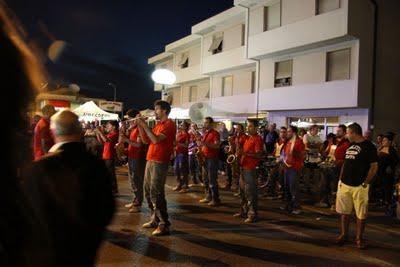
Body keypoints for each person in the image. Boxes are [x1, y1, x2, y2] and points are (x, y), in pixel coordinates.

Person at [23, 110, 115, 266]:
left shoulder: (38, 168)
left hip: (48, 255)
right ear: (79, 131)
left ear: (53, 132)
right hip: (85, 251)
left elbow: (28, 217)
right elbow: (107, 209)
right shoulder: (96, 165)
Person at [136, 100, 176, 236]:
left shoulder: (169, 124)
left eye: (157, 109)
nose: (155, 112)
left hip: (160, 161)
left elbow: (156, 140)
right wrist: (140, 127)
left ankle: (163, 224)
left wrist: (144, 125)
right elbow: (146, 140)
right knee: (147, 191)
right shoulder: (159, 125)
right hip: (150, 159)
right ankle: (154, 218)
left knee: (156, 192)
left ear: (164, 110)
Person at [335, 123, 378, 249]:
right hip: (345, 184)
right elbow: (346, 163)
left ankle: (359, 238)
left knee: (361, 214)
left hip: (360, 186)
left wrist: (366, 182)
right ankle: (344, 234)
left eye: (348, 132)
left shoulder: (369, 146)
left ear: (354, 133)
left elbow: (374, 166)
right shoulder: (351, 145)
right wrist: (340, 180)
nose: (346, 135)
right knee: (344, 212)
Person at [233, 120, 263, 223]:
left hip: (250, 169)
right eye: (247, 126)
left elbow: (259, 155)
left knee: (250, 193)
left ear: (256, 128)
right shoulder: (248, 138)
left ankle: (252, 214)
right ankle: (244, 211)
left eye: (250, 126)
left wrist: (244, 153)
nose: (248, 128)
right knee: (242, 192)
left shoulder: (257, 139)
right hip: (243, 168)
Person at [120, 109, 148, 213]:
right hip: (132, 156)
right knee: (132, 179)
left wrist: (126, 140)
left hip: (138, 157)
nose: (129, 121)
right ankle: (135, 199)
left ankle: (138, 203)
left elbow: (139, 144)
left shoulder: (140, 128)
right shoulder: (133, 128)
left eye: (130, 118)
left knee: (137, 180)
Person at [316, 125, 350, 209]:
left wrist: (337, 162)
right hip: (328, 167)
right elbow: (327, 154)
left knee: (334, 186)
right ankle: (325, 201)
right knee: (324, 185)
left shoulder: (346, 144)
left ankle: (334, 204)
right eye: (337, 131)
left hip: (337, 168)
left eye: (339, 131)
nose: (337, 132)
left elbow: (346, 158)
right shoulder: (334, 142)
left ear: (344, 132)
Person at [281, 125, 305, 215]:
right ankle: (289, 205)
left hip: (294, 168)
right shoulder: (288, 142)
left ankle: (296, 206)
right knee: (287, 188)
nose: (287, 133)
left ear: (294, 133)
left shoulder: (298, 142)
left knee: (293, 188)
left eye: (289, 131)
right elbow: (285, 154)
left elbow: (302, 156)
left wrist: (296, 154)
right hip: (287, 168)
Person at [198, 117, 221, 206]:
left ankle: (215, 199)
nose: (205, 124)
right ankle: (208, 196)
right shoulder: (205, 133)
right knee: (205, 179)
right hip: (205, 158)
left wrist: (205, 144)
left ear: (211, 124)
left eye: (207, 123)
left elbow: (217, 145)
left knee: (212, 179)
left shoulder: (215, 133)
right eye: (204, 122)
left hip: (212, 159)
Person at [95, 120, 119, 194]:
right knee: (108, 173)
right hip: (105, 155)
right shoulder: (110, 133)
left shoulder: (115, 133)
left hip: (110, 155)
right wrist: (98, 133)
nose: (107, 126)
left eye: (109, 125)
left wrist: (100, 132)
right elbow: (101, 141)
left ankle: (113, 189)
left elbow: (106, 140)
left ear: (114, 127)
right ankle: (111, 188)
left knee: (110, 173)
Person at [377, 134, 398, 210]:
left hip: (387, 172)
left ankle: (387, 203)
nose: (383, 141)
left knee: (387, 188)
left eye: (385, 140)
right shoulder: (381, 148)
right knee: (381, 187)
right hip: (380, 171)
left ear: (389, 142)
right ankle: (381, 201)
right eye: (383, 140)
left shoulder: (392, 150)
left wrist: (390, 167)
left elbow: (396, 161)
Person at [303, 125, 323, 194]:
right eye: (315, 130)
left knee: (316, 174)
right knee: (307, 174)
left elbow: (320, 146)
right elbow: (307, 145)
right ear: (311, 130)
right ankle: (306, 188)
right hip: (308, 158)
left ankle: (315, 188)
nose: (317, 131)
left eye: (317, 130)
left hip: (316, 158)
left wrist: (312, 145)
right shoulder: (306, 136)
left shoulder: (318, 137)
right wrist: (315, 145)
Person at [173, 121, 190, 193]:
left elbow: (186, 145)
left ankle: (185, 186)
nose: (180, 125)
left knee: (182, 169)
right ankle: (179, 184)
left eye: (182, 125)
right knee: (176, 169)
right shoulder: (179, 133)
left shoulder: (187, 134)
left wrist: (178, 143)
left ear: (186, 127)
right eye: (180, 124)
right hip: (177, 153)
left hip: (183, 154)